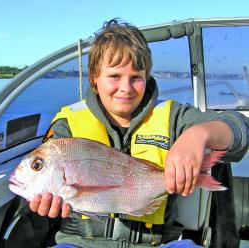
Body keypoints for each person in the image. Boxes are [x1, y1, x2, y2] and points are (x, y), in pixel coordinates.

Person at [29, 19, 249, 247]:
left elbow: (240, 127)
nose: (125, 88)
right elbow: (48, 175)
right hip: (79, 243)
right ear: (94, 76)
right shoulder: (69, 124)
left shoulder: (173, 116)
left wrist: (200, 134)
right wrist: (44, 202)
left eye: (136, 77)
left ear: (147, 77)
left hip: (158, 242)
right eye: (114, 76)